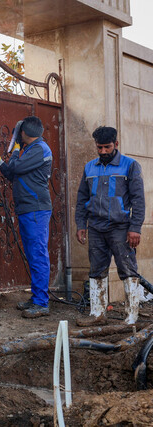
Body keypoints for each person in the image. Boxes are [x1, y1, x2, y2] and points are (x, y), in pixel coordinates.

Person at [74, 126, 145, 326]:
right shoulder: (89, 168)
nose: (103, 151)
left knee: (128, 269)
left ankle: (132, 316)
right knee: (96, 269)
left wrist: (135, 228)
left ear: (116, 144)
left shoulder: (130, 166)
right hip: (95, 226)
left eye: (107, 147)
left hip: (121, 227)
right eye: (100, 147)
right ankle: (97, 314)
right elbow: (82, 198)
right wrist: (81, 224)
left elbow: (139, 200)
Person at [0, 116, 53, 318]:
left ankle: (42, 303)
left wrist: (15, 150)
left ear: (24, 133)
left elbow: (16, 167)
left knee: (38, 255)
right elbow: (13, 173)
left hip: (36, 210)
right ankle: (36, 298)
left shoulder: (40, 149)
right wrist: (0, 162)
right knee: (33, 255)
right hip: (27, 209)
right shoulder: (31, 150)